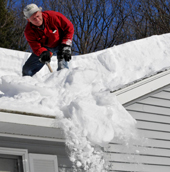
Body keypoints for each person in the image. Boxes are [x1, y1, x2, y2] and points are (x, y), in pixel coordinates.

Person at [22, 3, 74, 76]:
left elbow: (69, 27)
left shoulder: (54, 16)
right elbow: (36, 47)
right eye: (33, 18)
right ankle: (25, 85)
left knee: (63, 68)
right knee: (27, 70)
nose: (37, 19)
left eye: (38, 16)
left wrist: (66, 44)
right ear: (28, 20)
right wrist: (42, 52)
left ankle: (63, 83)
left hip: (61, 43)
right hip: (45, 48)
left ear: (41, 12)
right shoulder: (28, 31)